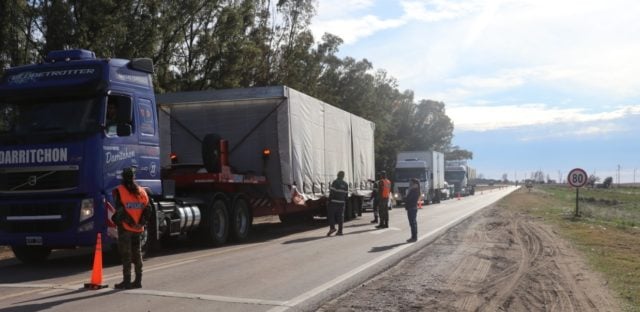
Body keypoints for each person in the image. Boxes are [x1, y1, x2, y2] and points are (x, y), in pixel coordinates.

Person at [111, 167, 151, 289]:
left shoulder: (120, 191)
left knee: (126, 255)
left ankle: (127, 281)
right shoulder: (142, 191)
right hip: (138, 229)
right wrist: (141, 223)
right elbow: (148, 209)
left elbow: (121, 211)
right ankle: (138, 281)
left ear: (123, 177)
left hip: (126, 228)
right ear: (134, 177)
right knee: (137, 254)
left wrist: (131, 223)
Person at [327, 171, 349, 236]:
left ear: (338, 175)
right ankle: (340, 231)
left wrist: (329, 200)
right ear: (343, 176)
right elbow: (346, 195)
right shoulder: (345, 184)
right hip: (342, 203)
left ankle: (332, 228)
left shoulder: (335, 182)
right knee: (340, 217)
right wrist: (344, 202)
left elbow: (332, 192)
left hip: (334, 202)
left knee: (331, 215)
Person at [405, 178, 420, 242]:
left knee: (413, 223)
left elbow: (409, 199)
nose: (410, 184)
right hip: (411, 208)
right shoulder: (413, 190)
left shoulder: (414, 191)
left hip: (412, 208)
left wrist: (406, 197)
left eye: (411, 183)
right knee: (412, 223)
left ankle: (414, 237)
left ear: (415, 184)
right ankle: (413, 236)